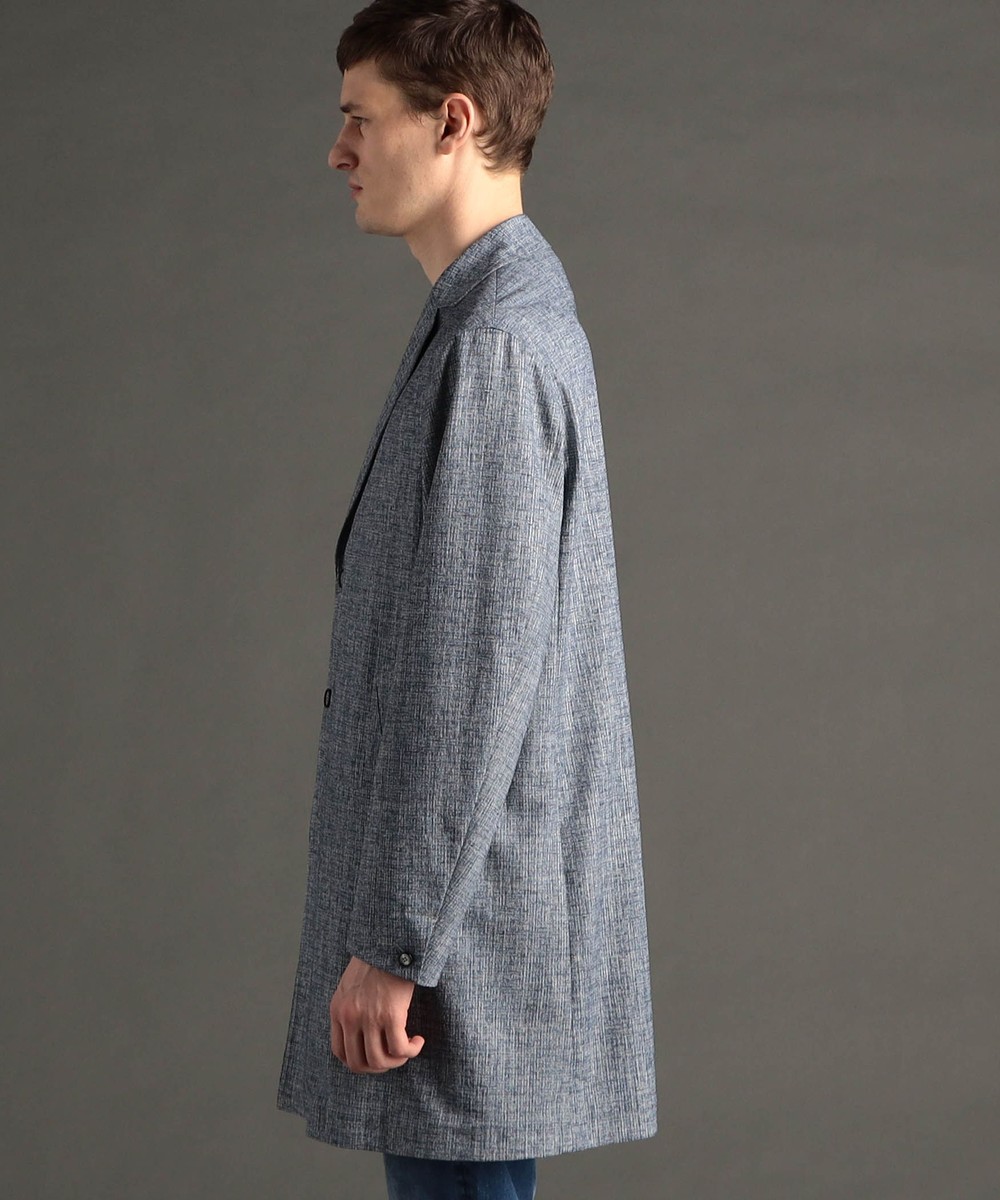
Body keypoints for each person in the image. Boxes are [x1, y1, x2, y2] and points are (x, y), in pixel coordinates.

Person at [276, 3, 658, 1197]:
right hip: (464, 932)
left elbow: (471, 678)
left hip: (456, 953)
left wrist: (393, 944)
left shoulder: (495, 341)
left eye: (359, 119)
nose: (337, 151)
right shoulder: (488, 317)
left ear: (452, 122)